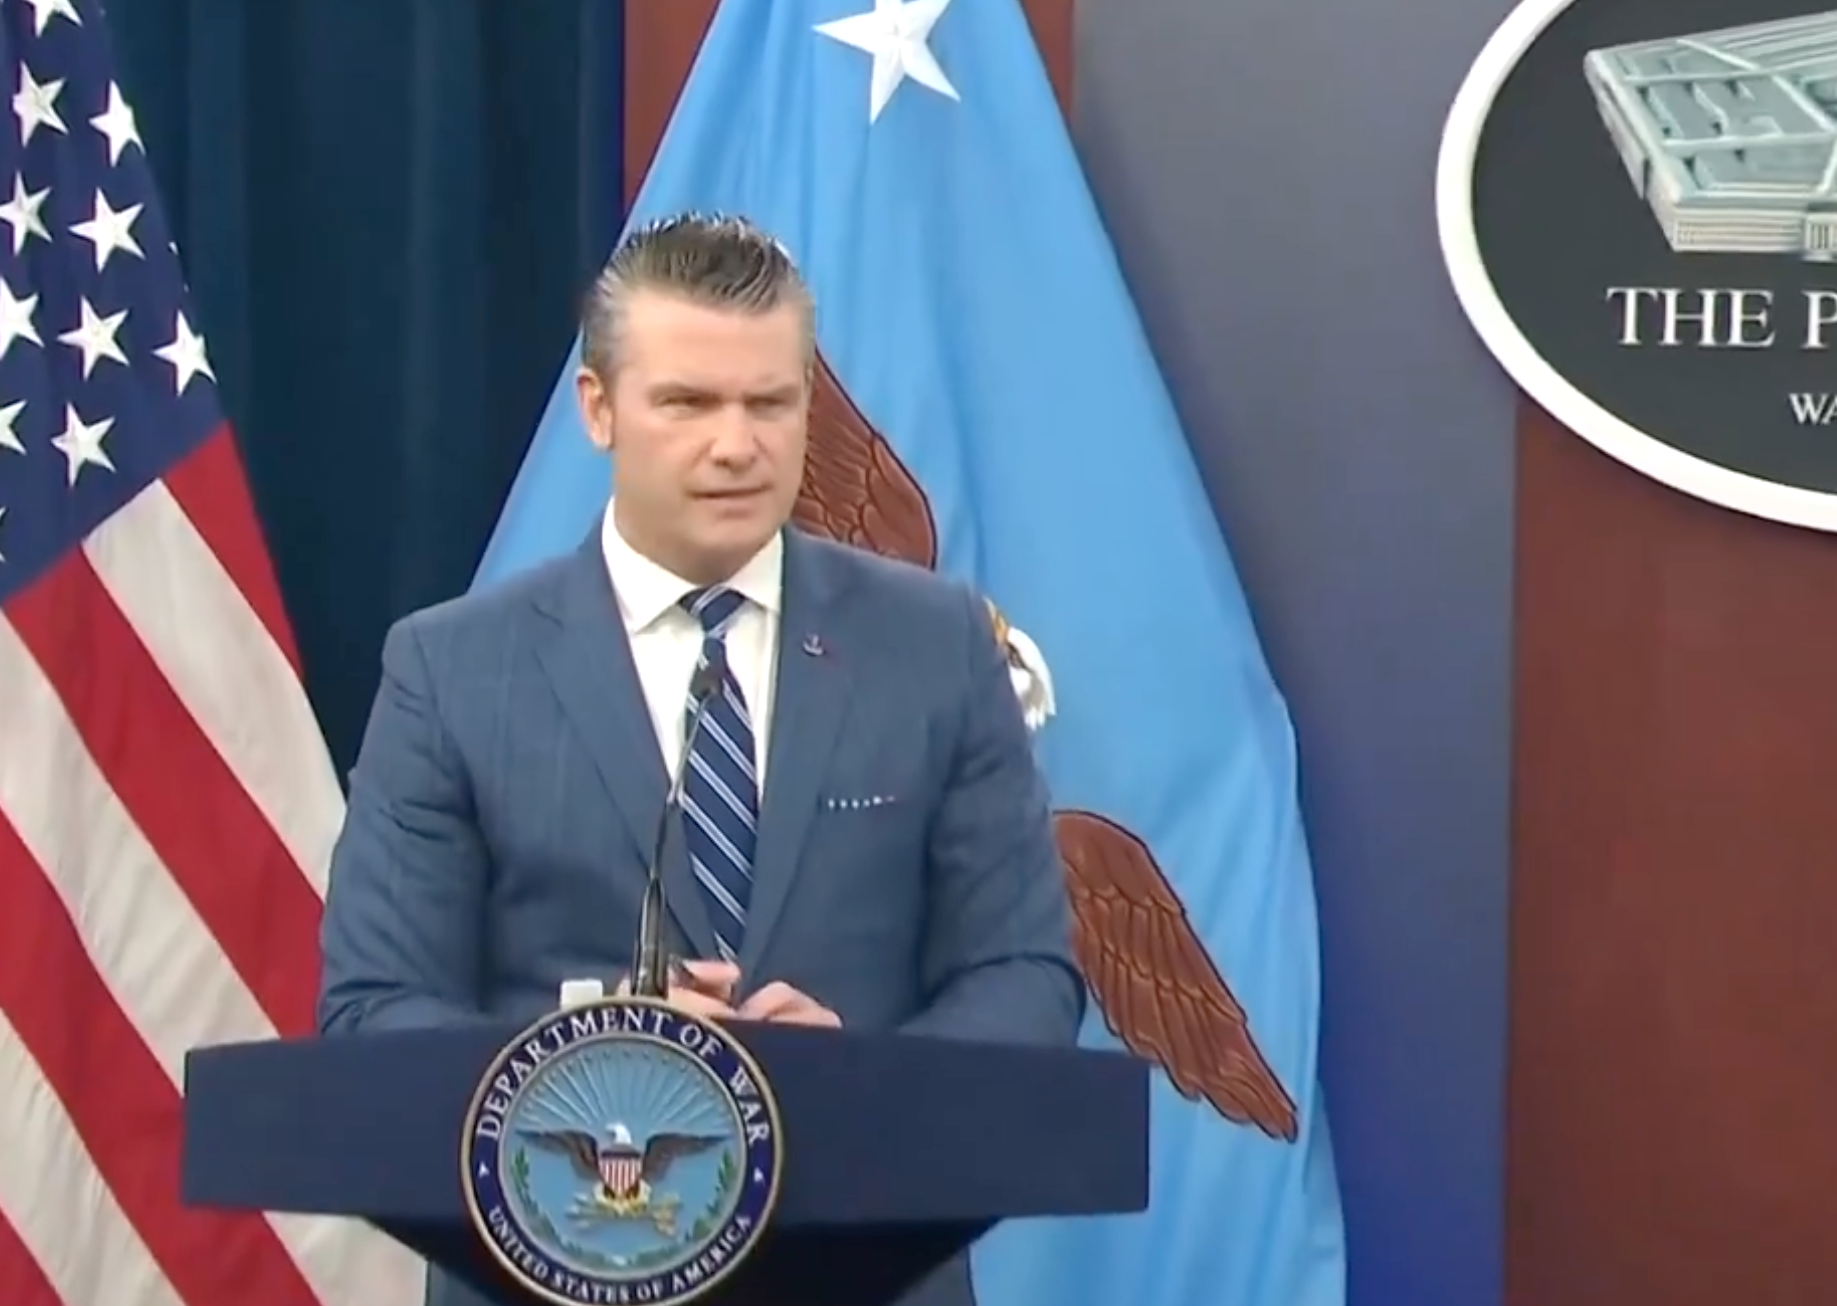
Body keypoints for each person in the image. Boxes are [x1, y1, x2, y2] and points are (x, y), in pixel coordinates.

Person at [315, 213, 1086, 1306]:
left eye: (769, 403)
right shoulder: (453, 672)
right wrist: (600, 1058)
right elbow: (375, 1012)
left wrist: (866, 1080)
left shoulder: (938, 648)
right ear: (599, 409)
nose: (735, 446)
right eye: (686, 403)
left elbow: (1024, 979)